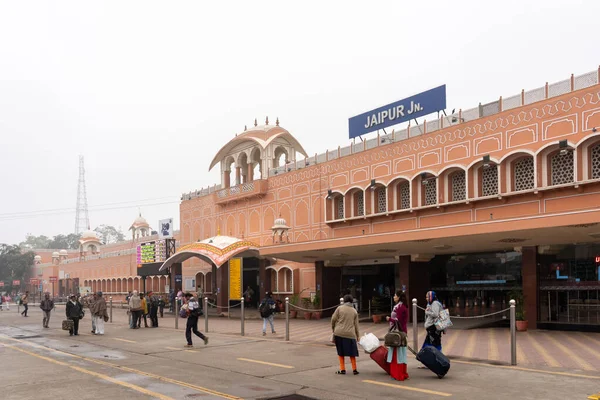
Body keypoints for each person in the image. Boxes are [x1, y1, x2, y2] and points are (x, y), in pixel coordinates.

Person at [331, 294, 360, 375]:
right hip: (350, 334)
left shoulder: (339, 308)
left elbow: (333, 319)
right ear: (352, 301)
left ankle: (342, 369)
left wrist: (333, 329)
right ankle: (354, 369)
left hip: (339, 333)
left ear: (344, 301)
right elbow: (356, 325)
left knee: (340, 352)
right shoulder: (354, 311)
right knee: (352, 352)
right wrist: (358, 336)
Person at [386, 291, 409, 381]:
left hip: (397, 334)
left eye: (395, 295)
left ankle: (397, 374)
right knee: (402, 354)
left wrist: (389, 319)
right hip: (403, 332)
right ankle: (402, 373)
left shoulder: (398, 307)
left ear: (399, 297)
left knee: (397, 355)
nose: (394, 297)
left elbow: (397, 320)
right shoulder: (403, 306)